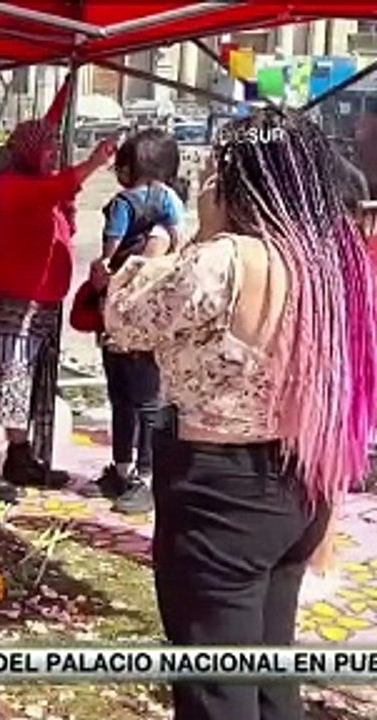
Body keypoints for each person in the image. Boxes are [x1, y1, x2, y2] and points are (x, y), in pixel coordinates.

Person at [94, 108, 377, 720]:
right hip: (302, 480)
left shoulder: (225, 258)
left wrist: (179, 239)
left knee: (216, 685)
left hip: (223, 490)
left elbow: (122, 316)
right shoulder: (334, 262)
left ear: (238, 182)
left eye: (216, 172)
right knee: (271, 671)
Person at [0, 121, 117, 503]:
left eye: (55, 146)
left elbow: (58, 209)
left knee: (23, 384)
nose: (54, 153)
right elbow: (55, 187)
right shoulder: (9, 187)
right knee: (2, 381)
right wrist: (94, 163)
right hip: (12, 303)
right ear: (27, 150)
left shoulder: (35, 188)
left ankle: (19, 456)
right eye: (48, 147)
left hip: (40, 304)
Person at [93, 128, 188, 516]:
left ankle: (144, 477)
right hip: (118, 315)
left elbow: (126, 260)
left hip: (137, 320)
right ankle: (122, 467)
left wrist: (107, 274)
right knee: (122, 395)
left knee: (144, 399)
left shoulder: (148, 219)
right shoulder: (166, 208)